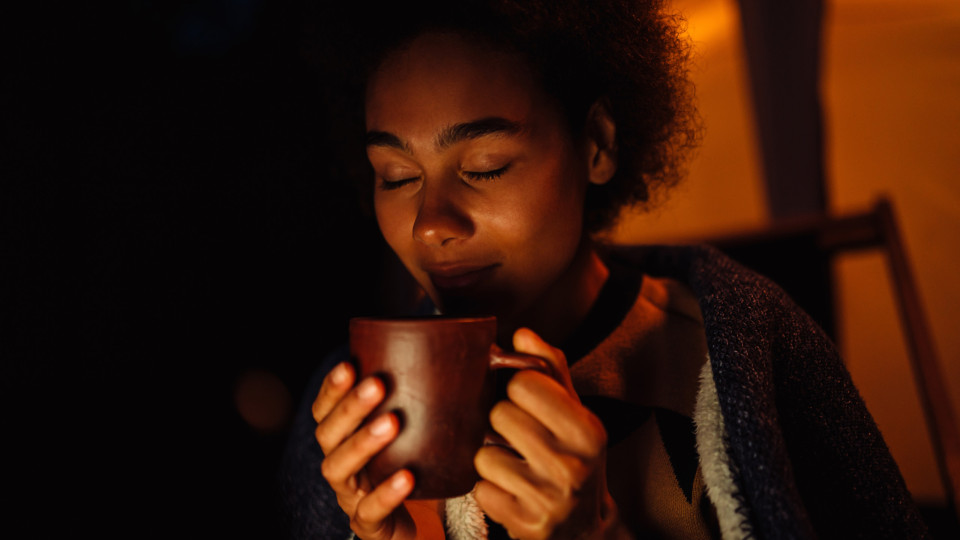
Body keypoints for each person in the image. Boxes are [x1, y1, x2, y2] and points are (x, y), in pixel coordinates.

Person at [280, 1, 929, 538]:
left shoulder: (746, 351)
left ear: (597, 144)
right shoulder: (343, 425)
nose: (429, 224)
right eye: (396, 177)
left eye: (484, 167)